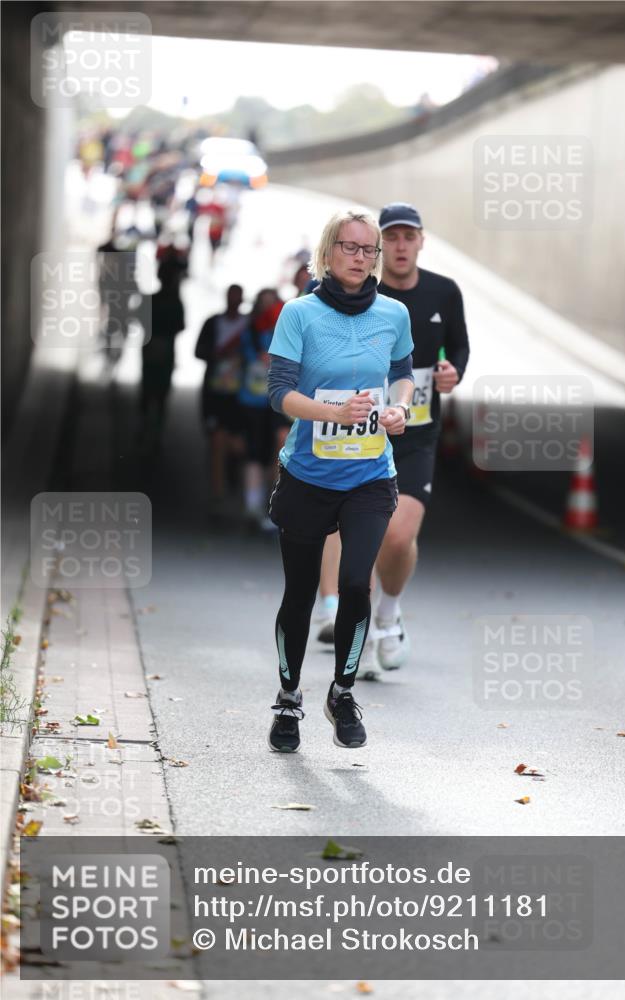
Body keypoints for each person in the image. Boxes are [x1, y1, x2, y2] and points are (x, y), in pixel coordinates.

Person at [265, 210, 414, 752]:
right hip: (308, 474)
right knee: (300, 594)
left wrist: (399, 409)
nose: (359, 257)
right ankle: (287, 699)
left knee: (355, 583)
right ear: (328, 252)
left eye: (367, 250)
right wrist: (331, 414)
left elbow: (401, 375)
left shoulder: (395, 314)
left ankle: (343, 692)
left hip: (371, 475)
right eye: (348, 247)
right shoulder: (298, 314)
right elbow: (279, 393)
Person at [363, 201, 470, 675]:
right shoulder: (362, 293)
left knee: (399, 534)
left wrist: (453, 372)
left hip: (419, 433)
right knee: (362, 534)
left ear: (422, 241)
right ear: (380, 244)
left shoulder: (444, 292)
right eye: (393, 237)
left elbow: (460, 346)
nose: (401, 246)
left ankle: (389, 612)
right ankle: (359, 629)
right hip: (364, 431)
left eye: (410, 237)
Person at [238, 289, 291, 530]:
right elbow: (245, 356)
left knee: (279, 450)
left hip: (279, 402)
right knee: (253, 451)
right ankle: (252, 506)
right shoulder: (249, 330)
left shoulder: (287, 329)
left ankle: (275, 505)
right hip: (253, 401)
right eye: (265, 305)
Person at [195, 285, 247, 515]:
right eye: (231, 297)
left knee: (237, 444)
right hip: (215, 392)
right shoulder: (212, 323)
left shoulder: (248, 326)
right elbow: (198, 350)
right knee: (217, 439)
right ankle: (218, 492)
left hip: (240, 394)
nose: (234, 302)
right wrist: (215, 354)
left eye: (238, 298)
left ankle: (233, 476)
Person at [139, 259, 186, 453]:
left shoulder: (151, 300)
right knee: (161, 393)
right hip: (165, 350)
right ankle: (155, 431)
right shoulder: (175, 302)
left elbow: (140, 320)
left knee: (148, 390)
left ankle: (145, 428)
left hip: (151, 349)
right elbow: (181, 326)